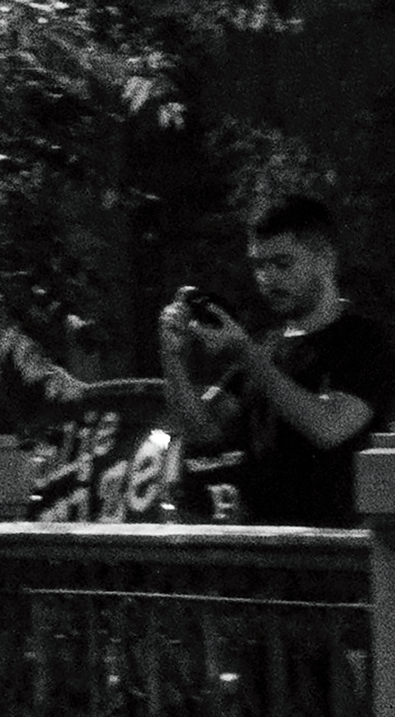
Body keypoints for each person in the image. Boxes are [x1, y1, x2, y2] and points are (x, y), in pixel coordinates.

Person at [162, 196, 395, 528]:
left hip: (340, 555)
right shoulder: (265, 348)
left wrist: (247, 355)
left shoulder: (364, 340)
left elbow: (329, 427)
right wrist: (174, 359)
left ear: (325, 259)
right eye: (259, 265)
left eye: (282, 264)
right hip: (270, 551)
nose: (268, 278)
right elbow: (202, 430)